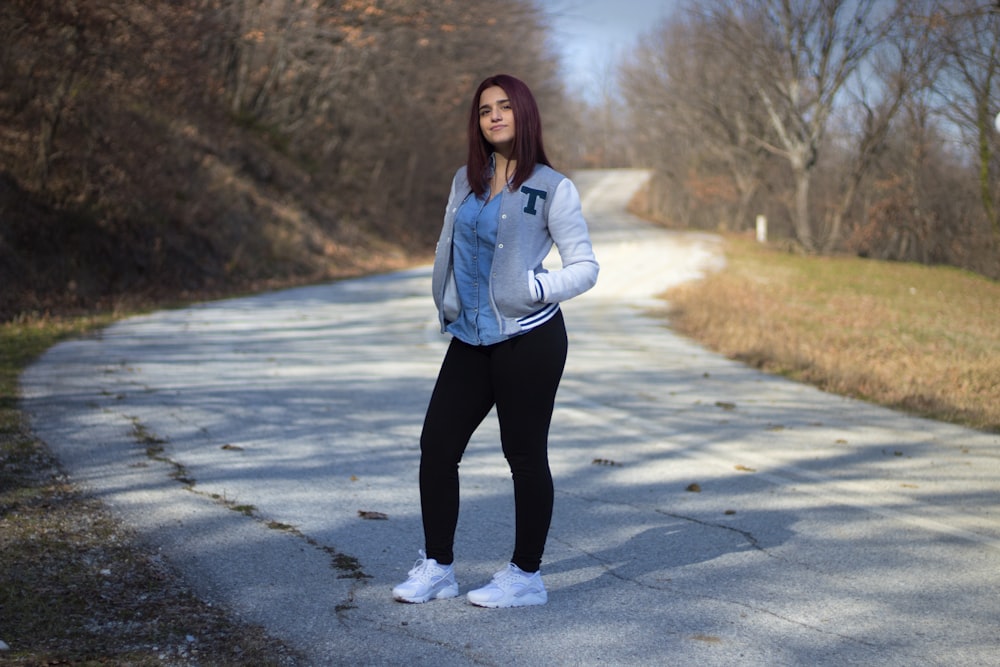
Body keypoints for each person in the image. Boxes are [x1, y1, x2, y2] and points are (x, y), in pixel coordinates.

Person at [392, 74, 599, 608]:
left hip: (529, 339)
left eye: (505, 107)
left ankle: (525, 577)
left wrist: (534, 286)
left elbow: (585, 268)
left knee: (524, 456)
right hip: (471, 336)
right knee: (437, 446)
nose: (495, 117)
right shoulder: (466, 179)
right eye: (485, 110)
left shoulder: (554, 187)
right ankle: (438, 568)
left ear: (524, 114)